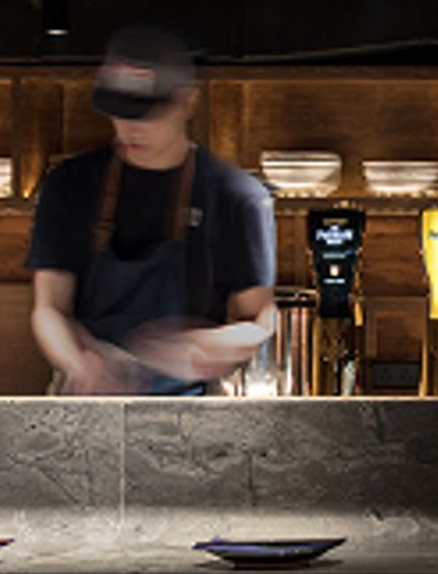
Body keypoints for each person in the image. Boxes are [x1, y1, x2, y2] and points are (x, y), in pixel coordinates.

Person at [26, 25, 274, 395]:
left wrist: (208, 346)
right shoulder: (70, 184)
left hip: (193, 406)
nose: (130, 128)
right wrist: (80, 362)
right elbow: (48, 308)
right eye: (120, 113)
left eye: (147, 114)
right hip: (88, 404)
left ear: (188, 102)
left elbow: (261, 318)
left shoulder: (235, 195)